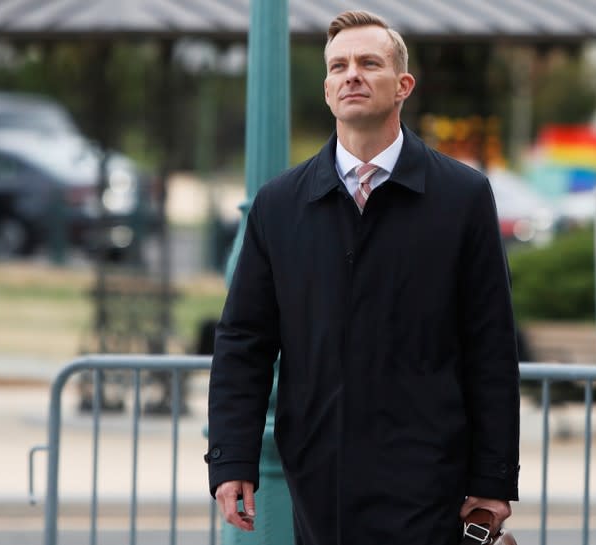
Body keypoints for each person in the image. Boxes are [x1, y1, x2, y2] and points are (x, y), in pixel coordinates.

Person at [206, 10, 519, 545]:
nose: (352, 74)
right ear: (327, 90)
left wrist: (492, 479)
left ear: (403, 86)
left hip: (429, 471)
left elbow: (490, 344)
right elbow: (244, 342)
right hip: (318, 472)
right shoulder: (279, 205)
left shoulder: (462, 197)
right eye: (339, 66)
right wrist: (232, 458)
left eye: (369, 63)